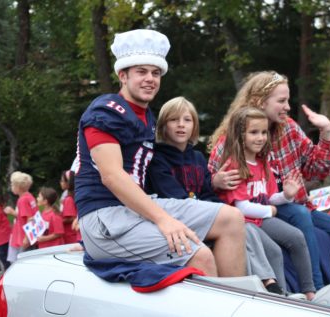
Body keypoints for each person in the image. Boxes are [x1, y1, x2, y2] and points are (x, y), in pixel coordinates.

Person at [75, 29, 246, 277]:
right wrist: (164, 220)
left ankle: (238, 302)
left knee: (232, 219)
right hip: (105, 216)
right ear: (122, 75)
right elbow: (111, 176)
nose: (150, 79)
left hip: (134, 209)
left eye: (155, 73)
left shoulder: (146, 116)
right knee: (199, 254)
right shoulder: (106, 111)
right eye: (141, 72)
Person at [208, 71, 330, 289]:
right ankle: (315, 289)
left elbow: (316, 170)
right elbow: (210, 187)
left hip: (291, 203)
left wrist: (326, 132)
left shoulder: (288, 129)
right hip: (259, 209)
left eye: (288, 100)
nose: (288, 106)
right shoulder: (231, 140)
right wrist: (215, 181)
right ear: (259, 101)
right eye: (281, 101)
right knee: (299, 215)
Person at [146, 97, 285, 295]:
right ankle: (264, 285)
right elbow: (175, 197)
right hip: (179, 220)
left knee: (245, 227)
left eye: (187, 120)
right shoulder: (158, 158)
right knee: (237, 228)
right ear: (163, 125)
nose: (180, 125)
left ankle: (271, 285)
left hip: (205, 213)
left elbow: (207, 192)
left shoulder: (197, 157)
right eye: (173, 120)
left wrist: (227, 210)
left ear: (194, 125)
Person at [214, 107, 315, 299]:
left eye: (263, 132)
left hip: (260, 218)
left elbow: (268, 198)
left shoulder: (263, 163)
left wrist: (286, 196)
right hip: (244, 222)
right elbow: (241, 206)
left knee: (297, 237)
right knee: (274, 251)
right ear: (239, 135)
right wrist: (270, 210)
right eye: (253, 132)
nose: (260, 138)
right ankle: (281, 297)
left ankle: (310, 291)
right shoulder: (235, 164)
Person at [4, 171, 38, 262]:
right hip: (29, 235)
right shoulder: (30, 196)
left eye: (12, 185)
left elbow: (30, 218)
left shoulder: (22, 200)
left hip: (24, 236)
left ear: (18, 187)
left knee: (20, 261)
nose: (11, 187)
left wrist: (27, 238)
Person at [59, 170, 78, 244]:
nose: (60, 183)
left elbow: (72, 218)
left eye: (62, 181)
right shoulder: (73, 196)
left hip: (70, 235)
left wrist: (57, 221)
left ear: (68, 183)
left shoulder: (68, 199)